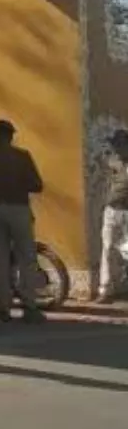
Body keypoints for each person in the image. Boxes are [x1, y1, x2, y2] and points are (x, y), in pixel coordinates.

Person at [0, 119, 45, 323]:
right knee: (26, 258)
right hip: (18, 208)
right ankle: (29, 306)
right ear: (11, 136)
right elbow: (37, 185)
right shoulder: (22, 156)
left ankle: (3, 308)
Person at [96, 130, 128, 303]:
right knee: (107, 249)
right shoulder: (112, 160)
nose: (116, 148)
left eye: (119, 145)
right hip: (112, 210)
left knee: (126, 250)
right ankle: (105, 289)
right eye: (115, 145)